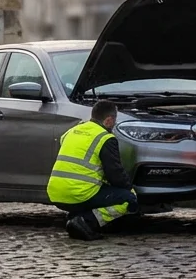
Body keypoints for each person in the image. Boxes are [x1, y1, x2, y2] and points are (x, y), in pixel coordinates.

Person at [47, 100, 139, 240]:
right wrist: (129, 188)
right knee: (128, 199)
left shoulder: (71, 131)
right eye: (114, 121)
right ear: (108, 120)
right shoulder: (105, 138)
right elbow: (115, 173)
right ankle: (85, 221)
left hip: (55, 192)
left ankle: (75, 216)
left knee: (99, 190)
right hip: (80, 193)